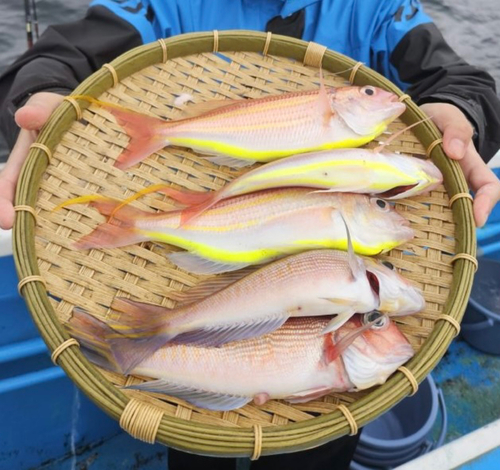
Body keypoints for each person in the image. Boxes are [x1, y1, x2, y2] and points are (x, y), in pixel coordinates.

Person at [0, 1, 499, 468]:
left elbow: (461, 82)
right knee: (195, 449)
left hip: (324, 405)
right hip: (199, 407)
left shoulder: (374, 10)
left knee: (316, 454)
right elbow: (62, 55)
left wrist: (462, 112)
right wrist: (37, 91)